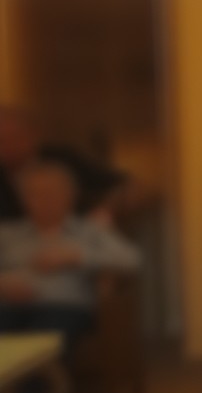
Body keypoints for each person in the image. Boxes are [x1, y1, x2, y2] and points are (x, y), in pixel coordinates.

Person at [0, 161, 140, 363]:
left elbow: (131, 259)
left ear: (69, 196)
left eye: (51, 193)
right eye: (35, 194)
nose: (44, 201)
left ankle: (33, 383)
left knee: (42, 344)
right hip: (7, 307)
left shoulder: (88, 231)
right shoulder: (7, 234)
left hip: (63, 307)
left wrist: (76, 256)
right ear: (23, 199)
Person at [0, 108, 128, 223]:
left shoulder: (64, 159)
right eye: (2, 140)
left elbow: (126, 185)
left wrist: (106, 210)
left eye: (14, 137)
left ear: (33, 135)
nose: (8, 146)